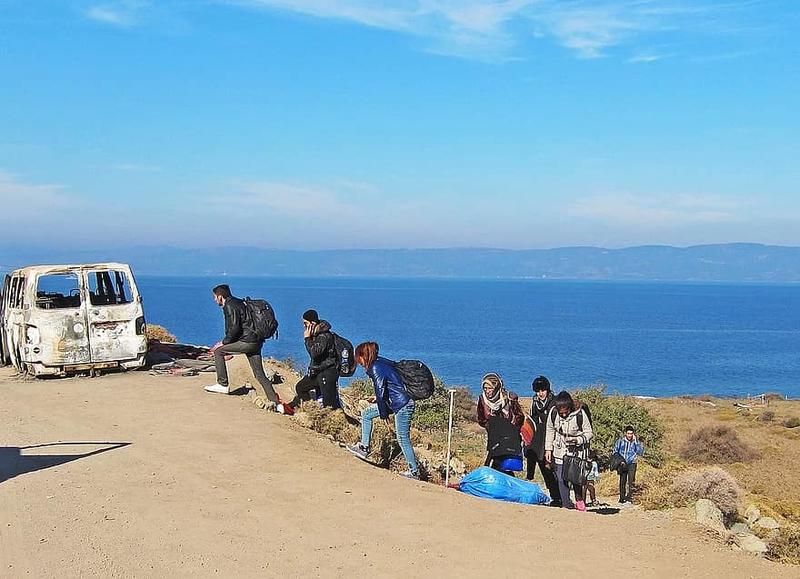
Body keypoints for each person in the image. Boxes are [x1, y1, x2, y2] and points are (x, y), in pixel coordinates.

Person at [345, 342, 420, 480]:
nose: (359, 362)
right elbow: (389, 387)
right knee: (367, 414)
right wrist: (378, 400)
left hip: (402, 405)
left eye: (358, 358)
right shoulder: (381, 363)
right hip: (396, 402)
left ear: (363, 356)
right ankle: (363, 448)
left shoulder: (375, 367)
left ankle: (414, 472)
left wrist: (384, 414)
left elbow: (380, 391)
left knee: (403, 438)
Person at [204, 285, 281, 407]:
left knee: (219, 351)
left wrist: (223, 342)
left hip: (247, 342)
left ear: (220, 296)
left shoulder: (229, 306)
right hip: (257, 342)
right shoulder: (241, 302)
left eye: (214, 297)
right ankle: (276, 402)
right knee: (259, 374)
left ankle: (222, 384)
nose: (214, 300)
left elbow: (234, 328)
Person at [279, 309, 340, 414]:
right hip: (317, 372)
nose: (304, 326)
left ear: (312, 323)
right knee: (301, 387)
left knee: (329, 405)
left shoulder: (324, 336)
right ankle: (310, 411)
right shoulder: (316, 334)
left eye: (305, 323)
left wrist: (307, 338)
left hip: (327, 373)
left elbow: (314, 353)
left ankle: (329, 421)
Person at [544, 391, 593, 511]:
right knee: (561, 478)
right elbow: (550, 430)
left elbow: (589, 432)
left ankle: (579, 500)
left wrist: (577, 440)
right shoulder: (553, 413)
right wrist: (548, 449)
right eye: (562, 413)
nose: (564, 415)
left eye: (566, 412)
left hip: (576, 451)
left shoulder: (580, 414)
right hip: (559, 450)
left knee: (575, 478)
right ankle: (566, 504)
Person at [524, 375, 562, 507]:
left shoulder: (555, 403)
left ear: (548, 390)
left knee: (555, 471)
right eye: (538, 391)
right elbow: (532, 421)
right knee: (545, 471)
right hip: (540, 441)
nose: (540, 393)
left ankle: (561, 497)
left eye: (543, 390)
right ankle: (555, 497)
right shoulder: (535, 403)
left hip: (553, 440)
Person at [477, 373, 524, 475]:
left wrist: (510, 428)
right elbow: (481, 418)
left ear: (496, 387)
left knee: (506, 465)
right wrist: (491, 426)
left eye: (490, 388)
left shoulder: (510, 398)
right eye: (485, 388)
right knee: (496, 463)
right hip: (494, 438)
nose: (487, 391)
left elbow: (519, 416)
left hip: (509, 438)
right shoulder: (482, 400)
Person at [614, 425, 644, 504]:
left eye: (631, 434)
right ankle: (622, 497)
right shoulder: (620, 441)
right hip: (622, 463)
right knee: (622, 481)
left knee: (631, 480)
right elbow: (615, 452)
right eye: (628, 433)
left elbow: (640, 452)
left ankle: (631, 497)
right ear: (625, 433)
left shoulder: (635, 442)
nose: (629, 435)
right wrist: (620, 461)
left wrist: (636, 442)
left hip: (632, 463)